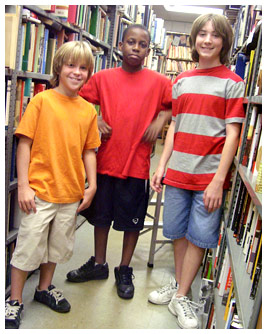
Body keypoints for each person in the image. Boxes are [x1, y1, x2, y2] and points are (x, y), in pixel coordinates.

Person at [148, 14, 245, 329]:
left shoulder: (233, 83)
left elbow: (233, 134)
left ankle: (181, 295)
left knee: (199, 237)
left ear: (224, 42)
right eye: (201, 34)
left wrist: (219, 180)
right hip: (177, 173)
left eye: (215, 35)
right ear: (193, 40)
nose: (207, 40)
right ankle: (181, 289)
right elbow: (175, 125)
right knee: (177, 232)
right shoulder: (181, 80)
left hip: (208, 178)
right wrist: (161, 166)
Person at [66, 24, 172, 299]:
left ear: (148, 50)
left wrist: (160, 119)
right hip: (105, 160)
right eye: (131, 42)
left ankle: (124, 268)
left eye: (142, 44)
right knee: (101, 217)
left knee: (132, 221)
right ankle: (99, 263)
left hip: (136, 164)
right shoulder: (102, 77)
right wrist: (95, 117)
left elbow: (172, 105)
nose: (136, 48)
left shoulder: (160, 82)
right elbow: (77, 98)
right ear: (120, 45)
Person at [5, 41, 101, 329]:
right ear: (58, 67)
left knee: (56, 247)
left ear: (89, 73)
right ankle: (15, 300)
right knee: (27, 248)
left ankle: (44, 289)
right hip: (39, 192)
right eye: (71, 65)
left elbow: (89, 150)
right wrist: (23, 185)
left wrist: (92, 185)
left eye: (83, 68)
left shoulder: (88, 110)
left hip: (70, 193)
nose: (76, 72)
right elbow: (25, 143)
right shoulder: (41, 101)